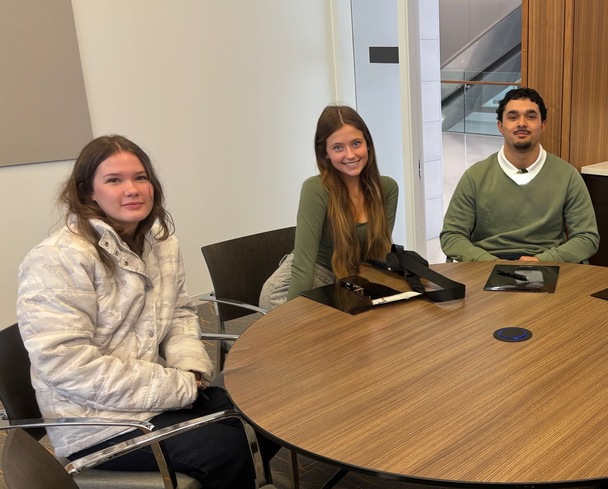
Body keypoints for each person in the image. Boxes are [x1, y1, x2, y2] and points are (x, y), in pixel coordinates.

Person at [17, 135, 279, 488]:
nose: (132, 189)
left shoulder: (159, 241)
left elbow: (180, 312)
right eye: (114, 180)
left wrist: (189, 367)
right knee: (229, 449)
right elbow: (67, 365)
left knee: (268, 417)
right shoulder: (57, 258)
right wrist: (177, 385)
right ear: (88, 192)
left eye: (140, 177)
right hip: (95, 422)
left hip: (154, 395)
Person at [260, 105, 399, 309]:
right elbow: (303, 266)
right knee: (311, 331)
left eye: (356, 143)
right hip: (310, 276)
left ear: (367, 144)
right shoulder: (315, 189)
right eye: (338, 148)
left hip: (350, 274)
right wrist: (293, 319)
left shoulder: (387, 188)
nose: (350, 155)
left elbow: (377, 253)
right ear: (325, 153)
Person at [440, 87, 599, 263]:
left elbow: (587, 237)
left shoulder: (568, 176)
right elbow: (452, 236)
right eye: (513, 117)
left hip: (548, 264)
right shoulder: (475, 177)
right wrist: (489, 263)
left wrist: (543, 261)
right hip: (486, 265)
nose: (521, 123)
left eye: (531, 117)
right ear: (501, 126)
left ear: (543, 124)